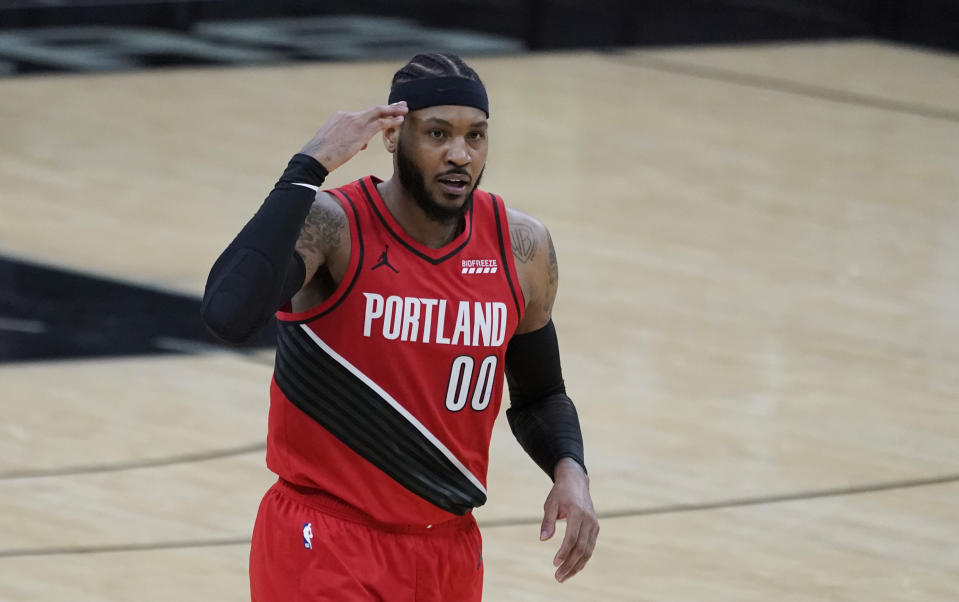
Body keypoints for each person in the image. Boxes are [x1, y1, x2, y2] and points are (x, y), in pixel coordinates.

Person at [201, 52, 598, 601]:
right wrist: (308, 166)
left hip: (448, 550)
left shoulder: (520, 247)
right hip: (325, 541)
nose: (459, 154)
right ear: (393, 136)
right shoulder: (332, 226)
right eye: (437, 133)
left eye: (476, 136)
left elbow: (540, 394)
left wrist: (569, 470)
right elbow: (227, 314)